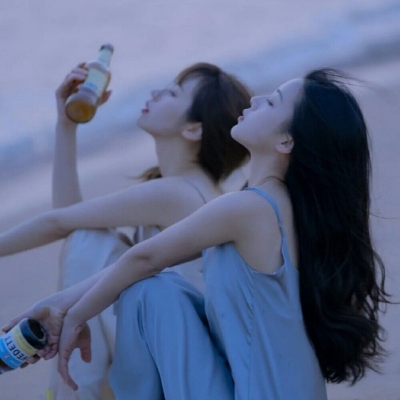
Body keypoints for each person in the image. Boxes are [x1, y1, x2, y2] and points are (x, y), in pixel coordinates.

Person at [4, 69, 390, 399]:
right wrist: (58, 308)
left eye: (272, 102)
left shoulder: (251, 208)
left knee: (147, 290)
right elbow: (139, 261)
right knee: (154, 288)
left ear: (285, 141)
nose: (257, 99)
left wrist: (72, 317)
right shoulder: (270, 206)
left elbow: (143, 257)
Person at [0, 62, 251, 399]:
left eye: (172, 93)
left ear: (193, 129)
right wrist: (66, 125)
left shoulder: (177, 193)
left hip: (173, 361)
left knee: (90, 241)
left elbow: (59, 222)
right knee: (89, 238)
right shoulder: (192, 188)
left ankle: (72, 394)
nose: (156, 93)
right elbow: (68, 222)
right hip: (174, 351)